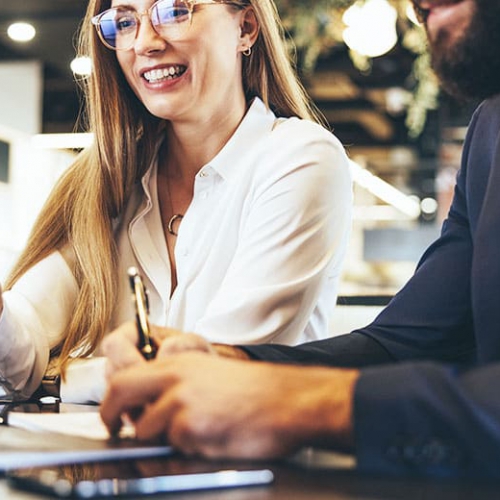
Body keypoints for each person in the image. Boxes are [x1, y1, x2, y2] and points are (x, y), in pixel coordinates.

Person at [100, 0, 500, 479]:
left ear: (247, 28)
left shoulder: (298, 154)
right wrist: (230, 362)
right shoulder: (488, 131)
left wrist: (307, 403)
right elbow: (405, 342)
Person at [0, 0, 352, 403]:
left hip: (252, 464)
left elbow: (214, 372)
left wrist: (60, 378)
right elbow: (21, 355)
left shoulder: (301, 158)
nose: (145, 43)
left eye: (175, 10)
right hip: (115, 466)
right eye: (125, 21)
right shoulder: (107, 182)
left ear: (246, 28)